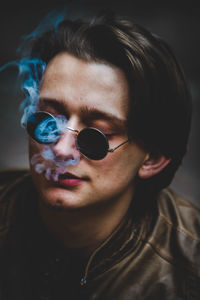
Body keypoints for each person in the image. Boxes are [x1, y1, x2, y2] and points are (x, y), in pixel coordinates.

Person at [0, 11, 199, 300]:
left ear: (153, 158)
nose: (60, 149)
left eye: (97, 136)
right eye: (47, 120)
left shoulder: (189, 272)